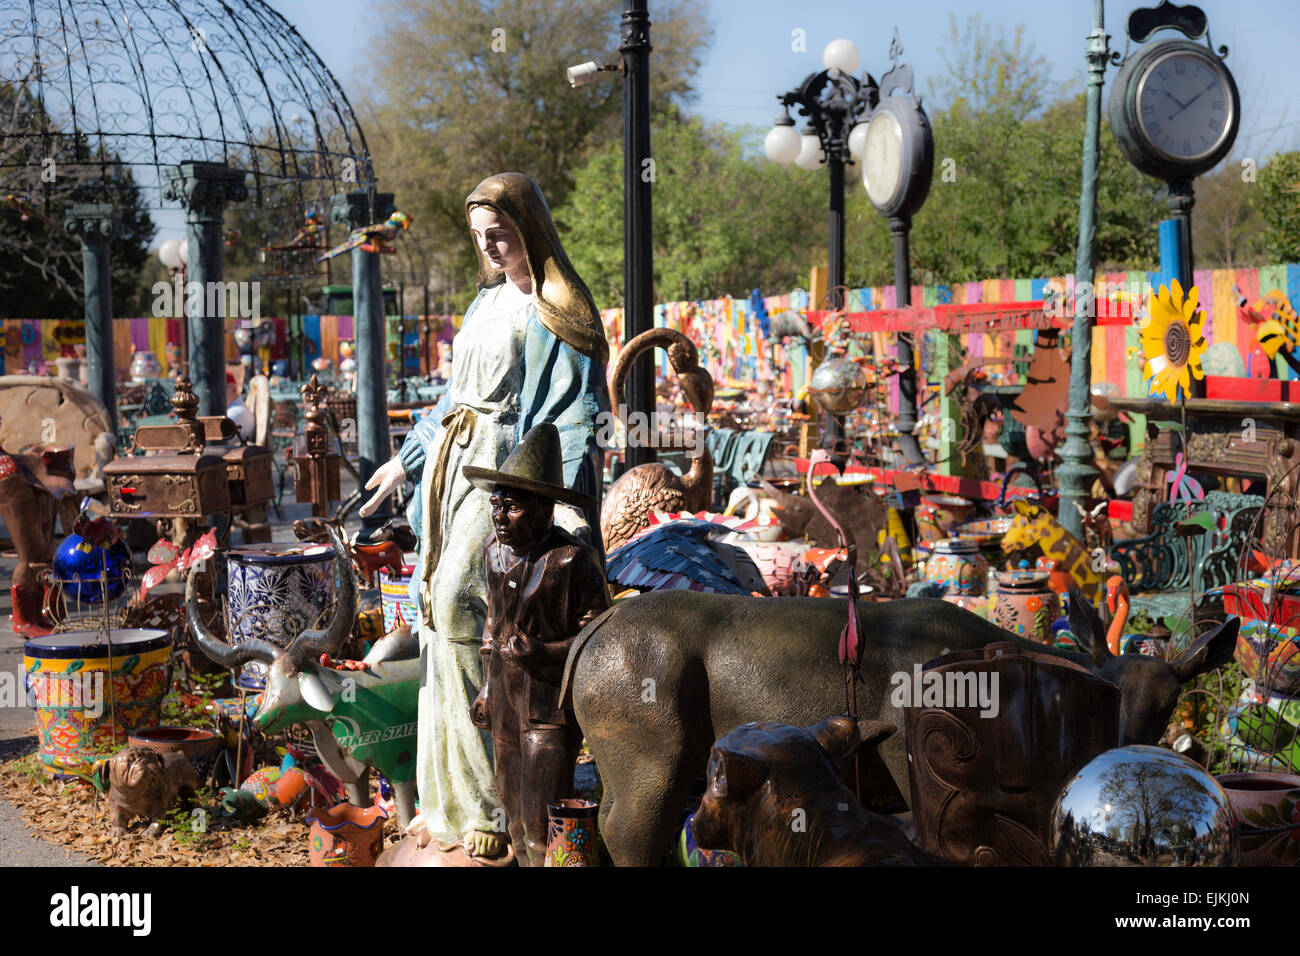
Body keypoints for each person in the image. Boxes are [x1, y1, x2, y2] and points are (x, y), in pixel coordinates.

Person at [359, 172, 609, 862]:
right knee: (437, 614)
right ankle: (445, 803)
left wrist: (560, 503)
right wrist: (405, 460)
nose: (490, 246)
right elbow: (450, 398)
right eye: (479, 236)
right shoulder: (488, 302)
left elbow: (572, 418)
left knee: (469, 608)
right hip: (451, 464)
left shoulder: (559, 308)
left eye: (498, 231)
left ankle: (492, 806)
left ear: (530, 224)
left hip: (503, 472)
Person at [464, 423, 611, 866]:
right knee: (511, 811)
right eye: (496, 505)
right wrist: (487, 691)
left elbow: (600, 639)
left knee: (545, 815)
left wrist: (545, 653)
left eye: (512, 508)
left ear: (544, 510)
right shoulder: (493, 553)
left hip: (550, 706)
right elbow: (492, 627)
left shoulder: (571, 560)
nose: (499, 517)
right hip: (506, 702)